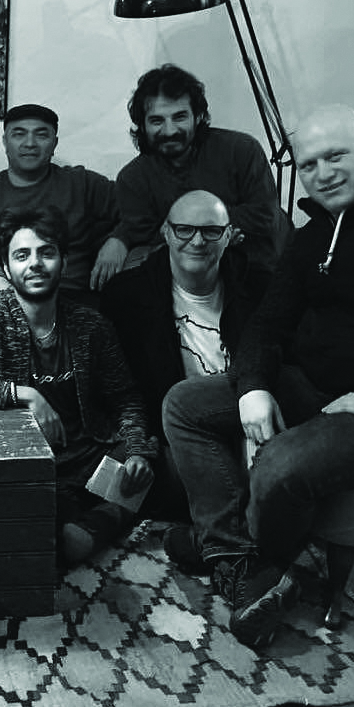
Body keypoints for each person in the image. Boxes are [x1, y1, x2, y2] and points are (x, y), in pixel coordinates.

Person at [161, 105, 354, 649]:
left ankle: (248, 563)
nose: (322, 174)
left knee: (279, 467)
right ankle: (233, 553)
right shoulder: (311, 237)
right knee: (184, 404)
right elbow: (267, 325)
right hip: (310, 386)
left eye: (336, 156)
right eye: (308, 165)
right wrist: (254, 389)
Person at [0, 205, 154, 565]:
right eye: (22, 255)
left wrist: (138, 452)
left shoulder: (90, 325)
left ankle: (92, 524)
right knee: (17, 518)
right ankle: (95, 525)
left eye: (46, 253)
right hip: (28, 462)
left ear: (63, 261)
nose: (35, 264)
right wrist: (24, 395)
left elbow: (125, 397)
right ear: (6, 268)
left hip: (88, 457)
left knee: (156, 462)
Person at [101, 190, 271, 519]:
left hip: (247, 421)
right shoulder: (126, 296)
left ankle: (216, 534)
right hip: (172, 436)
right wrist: (141, 446)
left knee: (274, 471)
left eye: (211, 231)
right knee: (131, 474)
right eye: (184, 230)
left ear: (229, 236)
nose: (197, 241)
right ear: (166, 232)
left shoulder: (261, 287)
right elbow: (121, 389)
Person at [116, 64, 284, 270]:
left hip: (255, 267)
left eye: (180, 117)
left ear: (198, 117)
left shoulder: (241, 150)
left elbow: (265, 217)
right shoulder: (132, 179)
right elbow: (142, 236)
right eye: (156, 121)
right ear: (142, 125)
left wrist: (201, 225)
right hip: (182, 274)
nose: (169, 131)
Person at [0, 104, 127, 301]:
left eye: (41, 135)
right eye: (19, 134)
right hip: (9, 296)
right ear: (5, 142)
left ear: (54, 143)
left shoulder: (82, 183)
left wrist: (120, 240)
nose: (30, 143)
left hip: (74, 297)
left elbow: (138, 209)